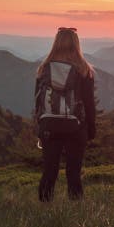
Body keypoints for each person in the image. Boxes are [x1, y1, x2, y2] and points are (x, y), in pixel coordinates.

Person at [35, 27, 96, 202]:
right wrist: (91, 130)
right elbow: (89, 104)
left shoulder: (43, 69)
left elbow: (38, 102)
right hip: (75, 128)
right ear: (77, 45)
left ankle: (45, 211)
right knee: (74, 173)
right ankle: (76, 213)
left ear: (56, 43)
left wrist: (40, 127)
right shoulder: (84, 70)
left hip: (49, 127)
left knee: (49, 171)